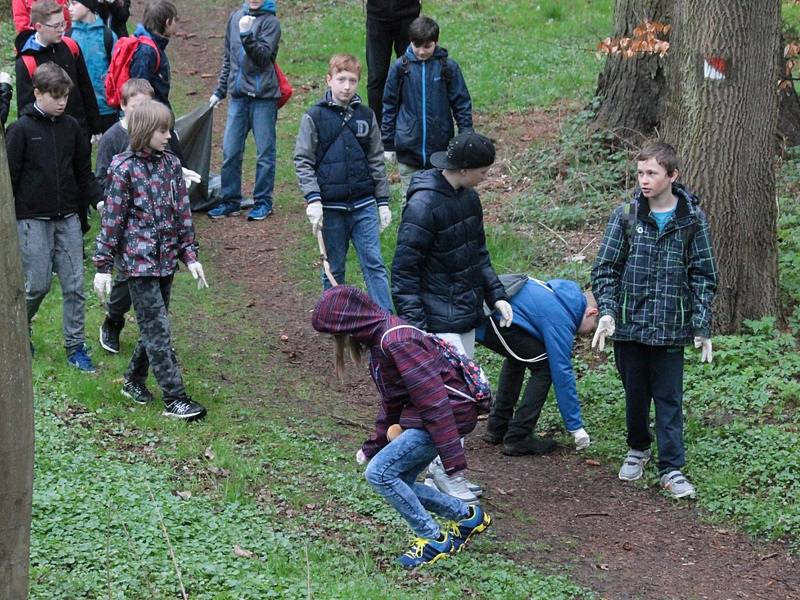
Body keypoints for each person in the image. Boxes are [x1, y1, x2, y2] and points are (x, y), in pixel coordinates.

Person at [312, 285, 492, 569]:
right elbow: (392, 402)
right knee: (400, 482)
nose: (338, 341)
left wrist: (452, 459)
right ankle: (467, 516)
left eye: (336, 333)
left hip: (445, 415)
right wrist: (373, 445)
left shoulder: (396, 340)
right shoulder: (381, 340)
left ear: (348, 323)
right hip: (425, 416)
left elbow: (433, 399)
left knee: (380, 474)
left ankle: (433, 540)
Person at [591, 141, 718, 499]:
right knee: (635, 394)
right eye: (640, 173)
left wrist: (700, 323)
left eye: (652, 173)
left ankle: (672, 468)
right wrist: (609, 311)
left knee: (669, 398)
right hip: (629, 326)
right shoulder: (627, 216)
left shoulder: (691, 221)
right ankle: (638, 448)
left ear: (672, 176)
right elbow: (605, 269)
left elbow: (703, 275)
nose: (644, 180)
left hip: (670, 329)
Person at [391, 131, 512, 502]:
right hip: (434, 321)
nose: (486, 178)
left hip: (464, 314)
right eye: (483, 171)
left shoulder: (469, 199)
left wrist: (497, 295)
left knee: (464, 399)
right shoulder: (424, 206)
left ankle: (440, 470)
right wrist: (418, 330)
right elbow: (404, 272)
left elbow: (478, 253)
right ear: (463, 168)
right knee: (450, 402)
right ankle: (445, 472)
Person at [93, 99, 208, 421]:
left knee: (152, 327)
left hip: (165, 260)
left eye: (169, 129)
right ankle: (175, 398)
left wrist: (190, 255)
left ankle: (132, 381)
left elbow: (182, 214)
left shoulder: (171, 165)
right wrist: (102, 266)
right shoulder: (122, 168)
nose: (169, 135)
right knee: (158, 330)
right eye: (162, 130)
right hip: (138, 264)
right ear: (145, 130)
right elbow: (112, 221)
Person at [5, 62, 102, 371]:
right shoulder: (20, 130)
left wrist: (98, 202)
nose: (62, 102)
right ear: (38, 93)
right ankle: (19, 331)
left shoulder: (72, 127)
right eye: (56, 96)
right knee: (37, 284)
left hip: (69, 218)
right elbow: (9, 177)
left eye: (65, 96)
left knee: (74, 285)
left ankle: (76, 346)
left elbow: (83, 172)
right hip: (32, 219)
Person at [293, 53, 393, 311]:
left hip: (364, 205)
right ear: (329, 80)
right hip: (331, 208)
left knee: (374, 262)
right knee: (334, 267)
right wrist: (313, 199)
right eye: (341, 79)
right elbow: (303, 160)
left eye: (352, 80)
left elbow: (375, 160)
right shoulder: (314, 116)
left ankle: (385, 321)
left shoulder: (366, 116)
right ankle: (335, 317)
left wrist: (382, 202)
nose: (347, 86)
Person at [475, 275, 597, 456]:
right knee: (546, 368)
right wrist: (575, 426)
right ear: (591, 312)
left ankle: (498, 427)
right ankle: (518, 437)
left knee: (522, 357)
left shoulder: (557, 296)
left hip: (488, 312)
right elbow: (562, 372)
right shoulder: (561, 316)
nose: (589, 333)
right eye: (593, 328)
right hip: (489, 317)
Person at [94, 78, 154, 353]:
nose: (142, 112)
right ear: (122, 105)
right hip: (122, 221)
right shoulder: (112, 138)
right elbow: (101, 178)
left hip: (152, 221)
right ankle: (113, 320)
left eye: (147, 106)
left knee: (150, 277)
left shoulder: (160, 132)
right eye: (136, 106)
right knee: (125, 277)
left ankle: (153, 333)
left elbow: (173, 162)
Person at [207, 0, 281, 222]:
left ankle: (263, 202)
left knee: (264, 153)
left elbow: (263, 57)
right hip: (238, 98)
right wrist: (220, 91)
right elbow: (228, 59)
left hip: (264, 98)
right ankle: (230, 201)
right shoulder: (235, 17)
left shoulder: (272, 23)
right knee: (230, 151)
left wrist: (247, 34)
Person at [381, 15, 472, 192]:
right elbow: (389, 105)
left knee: (439, 197)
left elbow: (461, 103)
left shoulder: (448, 67)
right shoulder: (400, 68)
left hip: (440, 151)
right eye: (417, 46)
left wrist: (466, 134)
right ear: (410, 42)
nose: (422, 51)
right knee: (411, 200)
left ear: (436, 42)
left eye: (427, 46)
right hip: (408, 150)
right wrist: (388, 143)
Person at [14, 0, 101, 140]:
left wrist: (95, 125)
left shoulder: (71, 46)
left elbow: (86, 89)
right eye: (56, 26)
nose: (62, 29)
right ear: (39, 26)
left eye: (64, 24)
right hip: (49, 136)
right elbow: (25, 107)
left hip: (79, 129)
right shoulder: (27, 61)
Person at [364, 0, 420, 128]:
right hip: (377, 16)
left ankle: (410, 125)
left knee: (411, 73)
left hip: (409, 15)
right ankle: (376, 128)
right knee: (377, 76)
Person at [67, 0, 118, 133]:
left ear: (88, 6)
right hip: (80, 108)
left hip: (106, 108)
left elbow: (118, 74)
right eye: (68, 4)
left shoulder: (108, 36)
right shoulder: (68, 36)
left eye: (74, 3)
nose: (69, 8)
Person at [129, 0, 177, 109]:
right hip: (153, 117)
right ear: (167, 22)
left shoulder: (154, 46)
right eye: (175, 20)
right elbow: (139, 90)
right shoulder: (147, 51)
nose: (176, 24)